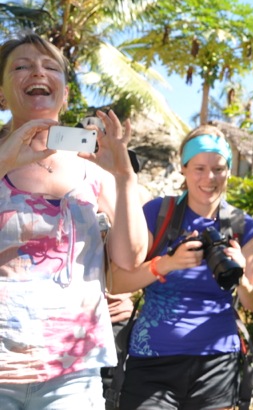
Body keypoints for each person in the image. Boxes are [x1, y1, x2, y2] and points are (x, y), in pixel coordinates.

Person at [0, 32, 148, 408]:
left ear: (64, 95)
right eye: (21, 66)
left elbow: (130, 259)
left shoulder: (91, 168)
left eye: (51, 67)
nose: (38, 70)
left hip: (73, 371)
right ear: (1, 94)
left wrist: (124, 177)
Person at [110, 124, 253, 410]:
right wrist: (166, 264)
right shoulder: (158, 213)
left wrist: (241, 277)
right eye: (199, 168)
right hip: (152, 361)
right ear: (183, 168)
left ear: (229, 170)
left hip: (216, 364)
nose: (210, 178)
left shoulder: (243, 227)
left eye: (219, 168)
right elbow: (115, 282)